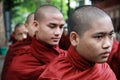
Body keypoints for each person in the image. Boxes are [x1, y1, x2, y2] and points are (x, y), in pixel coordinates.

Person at [39, 5, 117, 80]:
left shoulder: (104, 69)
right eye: (99, 37)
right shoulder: (55, 75)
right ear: (74, 38)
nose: (108, 44)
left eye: (110, 35)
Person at [4, 5, 65, 80]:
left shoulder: (66, 57)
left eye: (61, 27)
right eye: (52, 26)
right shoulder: (21, 60)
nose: (58, 33)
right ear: (36, 25)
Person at [1, 13, 35, 80]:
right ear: (15, 36)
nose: (24, 37)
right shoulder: (13, 49)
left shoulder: (33, 43)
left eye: (25, 33)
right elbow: (6, 70)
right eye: (20, 34)